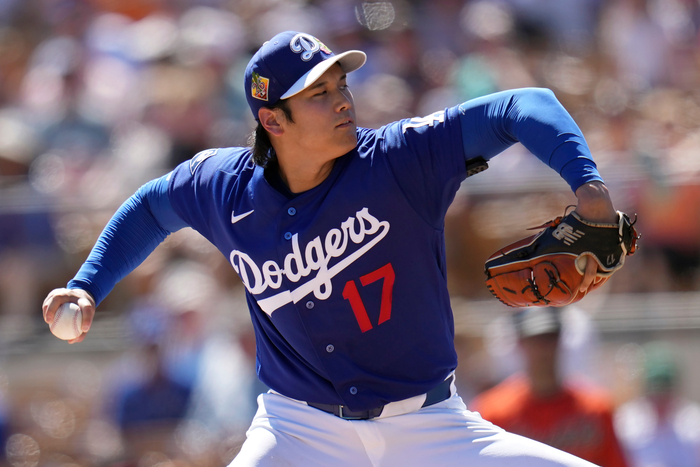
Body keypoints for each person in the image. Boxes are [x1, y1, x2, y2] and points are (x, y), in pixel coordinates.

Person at [42, 30, 623, 466]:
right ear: (273, 120)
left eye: (341, 84)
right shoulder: (223, 188)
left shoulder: (397, 160)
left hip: (430, 428)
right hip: (298, 432)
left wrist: (589, 187)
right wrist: (87, 284)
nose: (343, 99)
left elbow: (523, 106)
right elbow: (151, 205)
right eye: (319, 94)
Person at [470, 307, 630, 467]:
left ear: (560, 341)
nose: (543, 348)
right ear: (520, 342)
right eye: (535, 340)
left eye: (550, 338)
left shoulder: (595, 408)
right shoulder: (493, 412)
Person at [614, 342, 700, 467]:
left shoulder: (694, 423)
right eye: (655, 392)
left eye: (666, 392)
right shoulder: (625, 422)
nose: (660, 399)